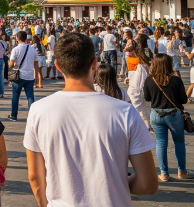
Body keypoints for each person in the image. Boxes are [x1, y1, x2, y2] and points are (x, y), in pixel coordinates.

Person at [24, 32, 158, 206]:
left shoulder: (38, 110)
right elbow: (148, 184)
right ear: (94, 63)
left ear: (58, 66)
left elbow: (35, 176)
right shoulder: (125, 111)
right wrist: (116, 183)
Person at [143, 53, 193, 181]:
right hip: (173, 115)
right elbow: (183, 99)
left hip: (156, 114)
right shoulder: (176, 80)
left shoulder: (149, 80)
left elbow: (147, 98)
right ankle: (182, 171)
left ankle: (164, 173)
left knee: (160, 143)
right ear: (168, 64)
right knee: (179, 142)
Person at [7, 31, 40, 122]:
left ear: (17, 38)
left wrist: (9, 64)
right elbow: (36, 64)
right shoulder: (32, 49)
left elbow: (11, 64)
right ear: (26, 38)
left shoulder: (15, 49)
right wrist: (36, 76)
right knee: (30, 97)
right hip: (29, 76)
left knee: (15, 96)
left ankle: (14, 115)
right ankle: (32, 117)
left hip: (18, 76)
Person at [127, 41, 152, 130]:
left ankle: (136, 127)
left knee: (135, 109)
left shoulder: (134, 63)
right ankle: (147, 125)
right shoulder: (148, 65)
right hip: (146, 89)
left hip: (135, 89)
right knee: (146, 109)